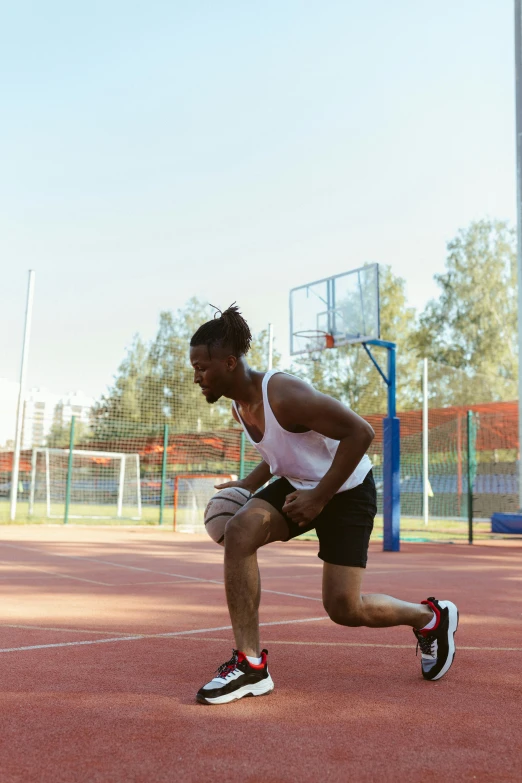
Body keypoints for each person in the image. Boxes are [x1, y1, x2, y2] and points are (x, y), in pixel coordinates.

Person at [189, 305, 458, 705]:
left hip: (347, 487)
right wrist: (248, 485)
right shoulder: (238, 404)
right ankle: (250, 665)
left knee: (344, 608)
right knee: (241, 530)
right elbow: (281, 450)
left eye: (202, 367)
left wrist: (320, 497)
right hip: (301, 485)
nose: (197, 377)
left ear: (229, 363)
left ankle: (431, 618)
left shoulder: (283, 394)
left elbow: (360, 433)